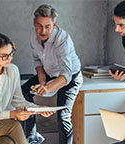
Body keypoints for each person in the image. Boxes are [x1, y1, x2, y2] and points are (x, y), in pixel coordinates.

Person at [21, 4, 83, 144]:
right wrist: (42, 82)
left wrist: (48, 88)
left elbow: (66, 74)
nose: (42, 31)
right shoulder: (33, 35)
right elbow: (37, 61)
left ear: (54, 25)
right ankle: (32, 137)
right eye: (39, 25)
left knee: (63, 116)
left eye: (47, 26)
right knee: (23, 92)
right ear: (34, 23)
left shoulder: (62, 39)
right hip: (49, 73)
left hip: (70, 77)